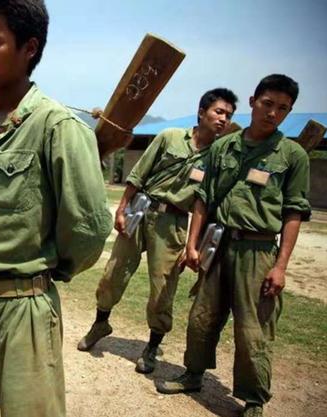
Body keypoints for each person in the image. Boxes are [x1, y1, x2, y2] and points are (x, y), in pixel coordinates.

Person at [0, 1, 112, 416]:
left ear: (29, 48)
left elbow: (87, 229)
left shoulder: (58, 127)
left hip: (23, 312)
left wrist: (41, 274)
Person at [156, 74, 311, 417]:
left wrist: (280, 267)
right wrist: (192, 245)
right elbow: (203, 198)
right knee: (202, 316)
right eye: (267, 104)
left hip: (258, 252)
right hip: (218, 244)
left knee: (254, 328)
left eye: (282, 108)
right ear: (253, 102)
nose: (273, 113)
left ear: (288, 112)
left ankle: (253, 400)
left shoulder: (293, 155)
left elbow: (294, 212)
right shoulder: (223, 147)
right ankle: (193, 374)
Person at [77, 89, 238, 374]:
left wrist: (193, 245)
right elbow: (139, 173)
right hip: (140, 209)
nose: (223, 119)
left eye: (228, 115)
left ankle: (152, 348)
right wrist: (122, 208)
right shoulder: (169, 137)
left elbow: (203, 204)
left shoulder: (216, 157)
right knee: (114, 273)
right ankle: (100, 323)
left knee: (163, 288)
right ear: (202, 112)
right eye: (219, 111)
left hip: (173, 223)